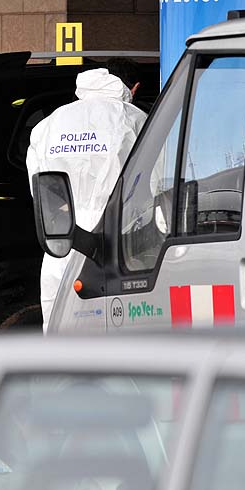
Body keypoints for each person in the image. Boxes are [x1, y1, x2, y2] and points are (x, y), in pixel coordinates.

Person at [26, 62, 147, 333]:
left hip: (60, 241)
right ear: (133, 88)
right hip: (117, 243)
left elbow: (40, 188)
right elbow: (156, 184)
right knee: (115, 334)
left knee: (60, 335)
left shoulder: (49, 124)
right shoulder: (133, 118)